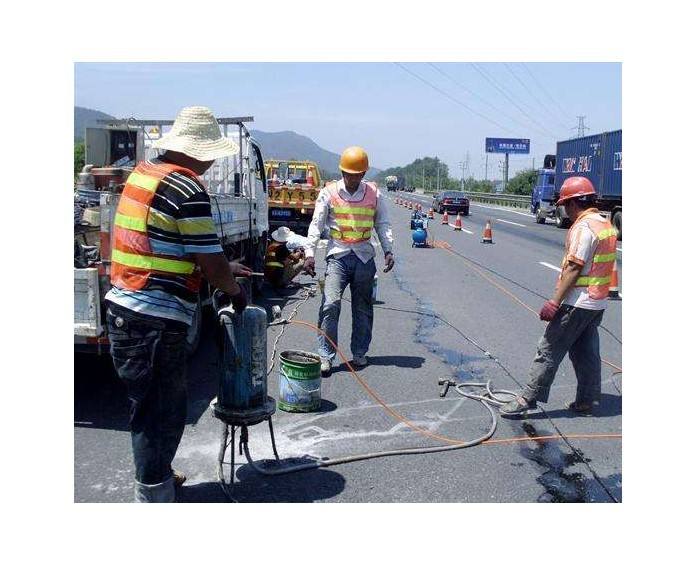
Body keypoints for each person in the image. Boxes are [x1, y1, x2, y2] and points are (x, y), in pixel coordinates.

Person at [105, 106, 251, 502]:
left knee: (150, 404)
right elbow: (210, 263)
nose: (210, 161)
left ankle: (158, 475)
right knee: (160, 412)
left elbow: (166, 245)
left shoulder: (144, 173)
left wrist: (224, 267)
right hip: (153, 318)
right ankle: (154, 496)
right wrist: (233, 290)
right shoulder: (186, 189)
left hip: (125, 308)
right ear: (198, 151)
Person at [500, 177, 618, 416]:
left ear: (574, 203)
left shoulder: (584, 227)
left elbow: (575, 267)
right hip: (597, 302)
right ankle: (586, 400)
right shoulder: (604, 224)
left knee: (549, 348)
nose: (564, 209)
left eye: (565, 204)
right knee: (585, 352)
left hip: (577, 302)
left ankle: (527, 399)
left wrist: (554, 302)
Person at [303, 146, 395, 375]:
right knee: (330, 304)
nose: (352, 178)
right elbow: (316, 224)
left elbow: (382, 224)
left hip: (364, 257)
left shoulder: (374, 194)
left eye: (357, 174)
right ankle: (326, 355)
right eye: (348, 174)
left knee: (362, 308)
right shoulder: (329, 192)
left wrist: (388, 250)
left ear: (363, 174)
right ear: (342, 172)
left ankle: (360, 352)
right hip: (338, 256)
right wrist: (309, 253)